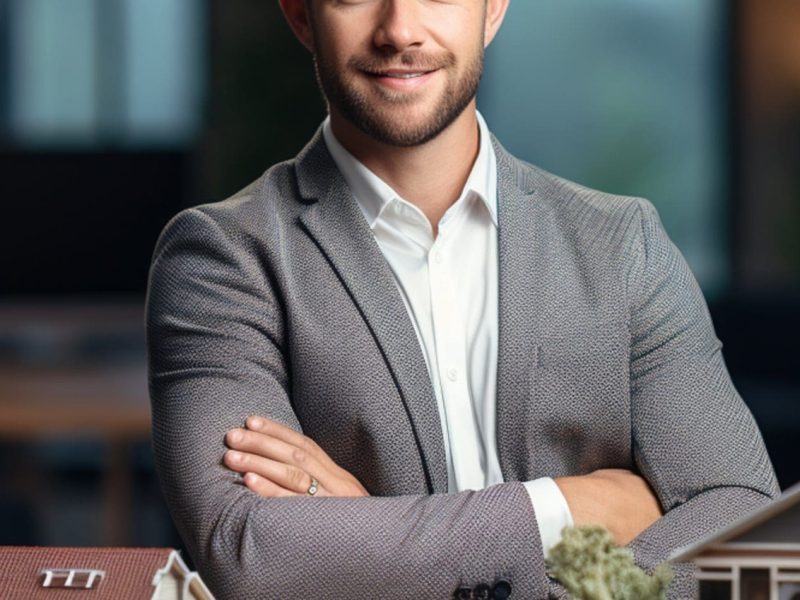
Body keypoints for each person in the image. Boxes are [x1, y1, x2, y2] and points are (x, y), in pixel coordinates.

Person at [145, 1, 779, 598]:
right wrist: (567, 511)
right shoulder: (222, 258)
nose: (399, 29)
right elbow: (249, 552)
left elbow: (751, 534)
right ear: (299, 14)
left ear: (494, 7)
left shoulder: (622, 246)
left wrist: (366, 534)